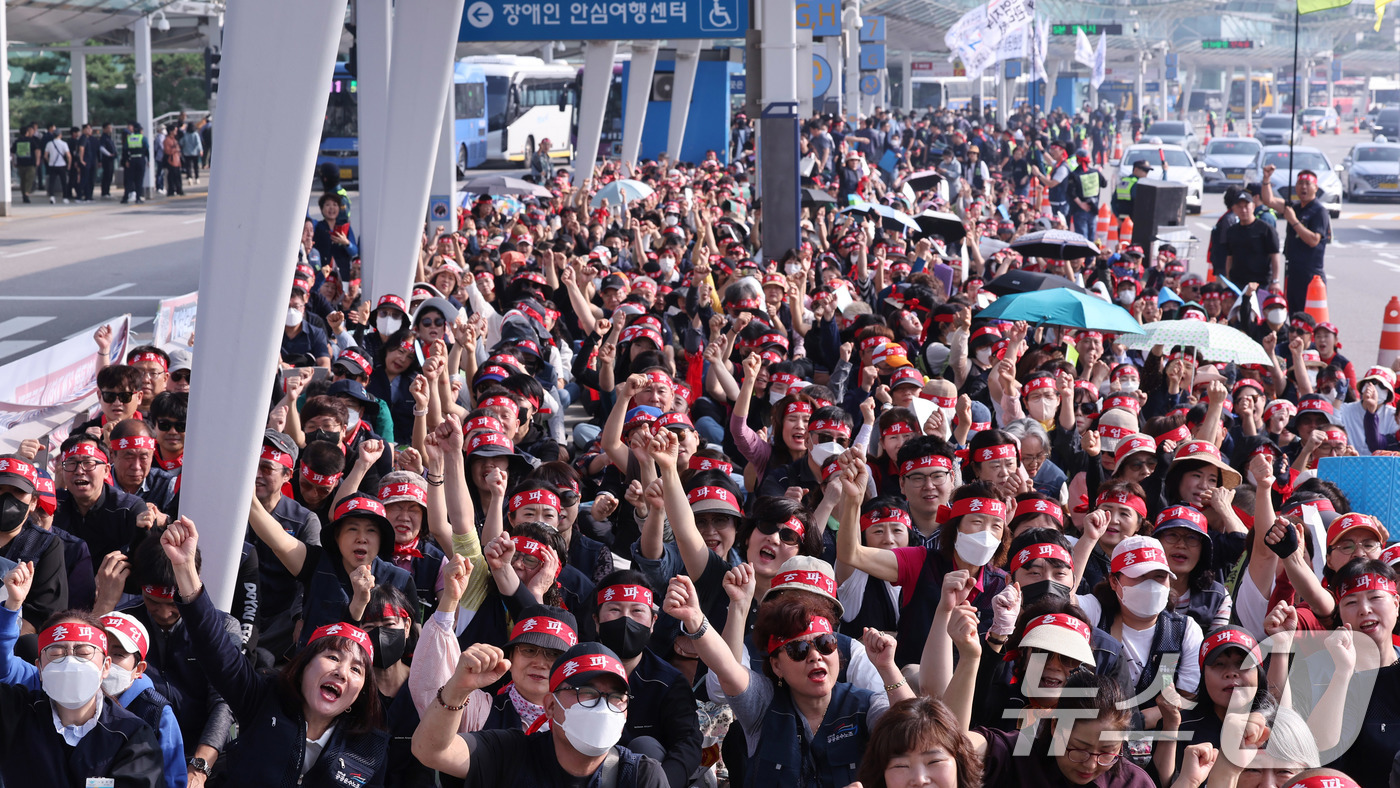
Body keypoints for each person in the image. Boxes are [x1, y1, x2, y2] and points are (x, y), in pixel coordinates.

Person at [159, 516, 392, 786]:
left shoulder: (371, 748)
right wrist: (185, 568)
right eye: (332, 657)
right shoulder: (262, 699)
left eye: (356, 669)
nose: (342, 672)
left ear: (361, 690)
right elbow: (215, 647)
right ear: (303, 666)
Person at [412, 640, 668, 787]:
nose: (603, 706)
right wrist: (457, 689)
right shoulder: (510, 753)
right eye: (586, 692)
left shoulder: (640, 776)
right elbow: (431, 751)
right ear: (550, 705)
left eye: (615, 697)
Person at [1259, 163, 1331, 314]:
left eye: (1307, 184)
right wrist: (1266, 179)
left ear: (1316, 188)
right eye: (1300, 183)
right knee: (1293, 314)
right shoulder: (1295, 207)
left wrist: (1294, 221)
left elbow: (1313, 240)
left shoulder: (1319, 211)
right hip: (1292, 271)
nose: (1303, 187)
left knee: (1309, 317)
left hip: (1311, 274)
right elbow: (1269, 200)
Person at [1224, 188, 1282, 289]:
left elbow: (1275, 256)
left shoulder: (1266, 229)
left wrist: (1275, 281)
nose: (1243, 210)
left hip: (1261, 283)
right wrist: (1228, 280)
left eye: (1246, 206)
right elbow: (1229, 257)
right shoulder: (1231, 231)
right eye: (1239, 207)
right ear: (1234, 209)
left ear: (1253, 206)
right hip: (1237, 283)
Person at [11, 121, 39, 203]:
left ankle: (24, 194)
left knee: (22, 180)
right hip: (30, 163)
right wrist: (37, 160)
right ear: (27, 132)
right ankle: (26, 193)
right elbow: (37, 150)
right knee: (29, 179)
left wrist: (13, 162)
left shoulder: (17, 141)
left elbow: (12, 152)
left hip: (20, 163)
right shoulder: (31, 141)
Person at [43, 127, 72, 205]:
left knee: (52, 182)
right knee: (64, 182)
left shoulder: (49, 144)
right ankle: (65, 197)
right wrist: (69, 164)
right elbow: (68, 156)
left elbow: (45, 155)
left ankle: (52, 196)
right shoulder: (64, 144)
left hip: (52, 165)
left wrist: (49, 161)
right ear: (60, 135)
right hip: (62, 165)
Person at [123, 122, 150, 204]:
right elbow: (146, 150)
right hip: (140, 159)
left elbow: (125, 150)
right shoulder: (143, 138)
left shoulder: (129, 138)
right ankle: (138, 198)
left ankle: (125, 198)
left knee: (130, 179)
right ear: (140, 130)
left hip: (131, 159)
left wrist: (126, 160)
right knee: (139, 179)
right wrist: (148, 160)